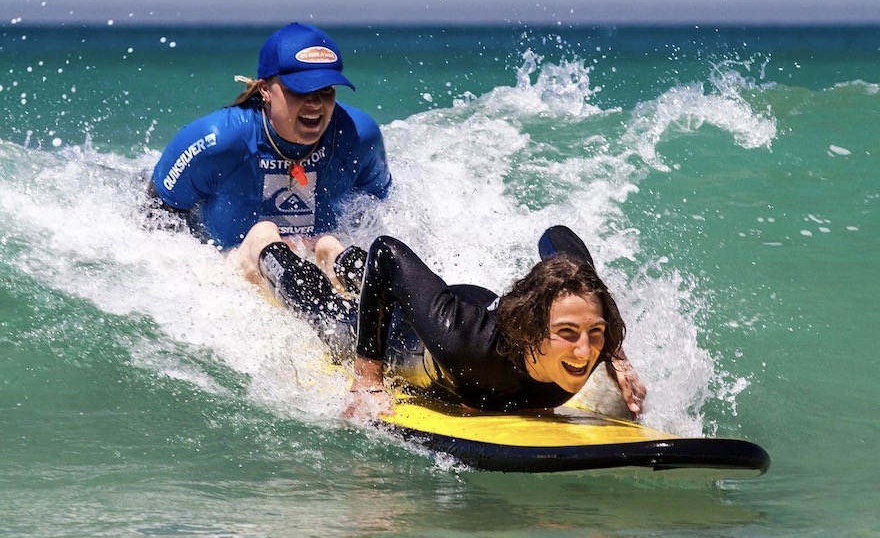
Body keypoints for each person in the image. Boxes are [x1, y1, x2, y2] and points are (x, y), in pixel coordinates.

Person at [148, 22, 389, 327]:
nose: (315, 103)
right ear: (265, 90)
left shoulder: (359, 135)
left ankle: (338, 266)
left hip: (315, 258)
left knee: (333, 245)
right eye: (300, 89)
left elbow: (378, 209)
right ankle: (326, 316)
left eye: (325, 90)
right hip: (237, 269)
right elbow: (157, 216)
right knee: (264, 235)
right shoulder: (217, 140)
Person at [347, 226, 647, 418]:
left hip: (484, 306)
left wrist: (615, 354)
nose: (584, 351)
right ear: (531, 329)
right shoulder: (464, 347)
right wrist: (367, 379)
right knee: (338, 318)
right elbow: (387, 252)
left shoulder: (597, 337)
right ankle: (336, 257)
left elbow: (556, 235)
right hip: (417, 336)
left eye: (595, 331)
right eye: (567, 332)